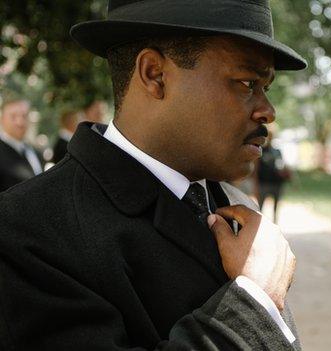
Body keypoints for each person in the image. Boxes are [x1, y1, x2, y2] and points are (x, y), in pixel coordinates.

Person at [0, 0, 307, 350]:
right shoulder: (27, 229)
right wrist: (255, 304)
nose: (268, 111)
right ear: (154, 75)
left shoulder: (236, 204)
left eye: (265, 87)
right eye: (247, 83)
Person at [0, 97, 44, 192]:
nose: (20, 122)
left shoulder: (34, 152)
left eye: (24, 116)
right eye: (13, 116)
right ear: (2, 119)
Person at [255, 130, 290, 222]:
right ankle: (260, 226)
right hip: (263, 183)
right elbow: (256, 169)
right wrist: (255, 184)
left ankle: (275, 223)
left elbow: (282, 166)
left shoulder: (277, 151)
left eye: (271, 136)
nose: (269, 138)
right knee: (260, 208)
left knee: (276, 207)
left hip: (277, 183)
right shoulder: (259, 150)